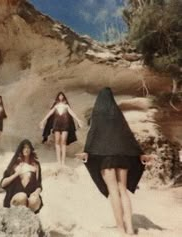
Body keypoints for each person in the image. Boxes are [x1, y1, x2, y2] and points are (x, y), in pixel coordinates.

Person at [76, 87, 153, 236]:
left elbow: (93, 134)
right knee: (123, 190)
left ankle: (120, 228)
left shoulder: (98, 114)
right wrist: (140, 154)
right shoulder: (118, 116)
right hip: (122, 157)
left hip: (106, 158)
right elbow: (128, 136)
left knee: (113, 191)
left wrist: (87, 151)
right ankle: (130, 227)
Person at [0, 139, 43, 214]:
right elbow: (3, 184)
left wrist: (36, 192)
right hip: (16, 195)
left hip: (30, 197)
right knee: (22, 197)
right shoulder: (15, 164)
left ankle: (29, 219)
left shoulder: (35, 165)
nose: (26, 150)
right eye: (24, 147)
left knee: (34, 200)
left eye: (28, 147)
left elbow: (39, 184)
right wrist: (16, 174)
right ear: (21, 150)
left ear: (31, 150)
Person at [40, 91, 83, 166]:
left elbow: (72, 113)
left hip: (65, 125)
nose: (60, 97)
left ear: (63, 97)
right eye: (59, 96)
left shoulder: (66, 106)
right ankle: (58, 161)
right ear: (58, 97)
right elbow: (49, 113)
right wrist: (43, 120)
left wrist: (78, 120)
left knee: (63, 142)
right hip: (56, 125)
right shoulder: (56, 106)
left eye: (62, 96)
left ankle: (63, 161)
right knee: (57, 142)